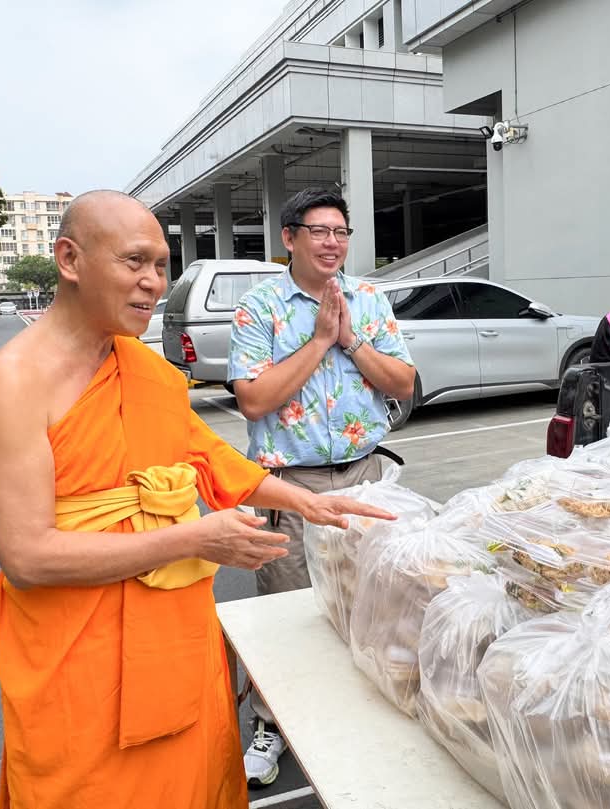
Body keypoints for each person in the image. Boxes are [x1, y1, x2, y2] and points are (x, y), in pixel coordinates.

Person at [0, 190, 394, 809]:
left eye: (162, 267)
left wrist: (307, 503)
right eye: (134, 262)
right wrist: (193, 539)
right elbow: (27, 557)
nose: (152, 284)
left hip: (174, 635)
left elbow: (208, 458)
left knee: (194, 778)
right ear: (69, 259)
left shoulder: (145, 372)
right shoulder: (14, 381)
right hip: (77, 654)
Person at [227, 187, 415, 785]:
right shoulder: (259, 308)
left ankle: (361, 715)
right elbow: (253, 398)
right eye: (319, 231)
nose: (333, 243)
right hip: (290, 486)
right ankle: (270, 722)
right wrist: (317, 342)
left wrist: (350, 339)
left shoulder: (367, 298)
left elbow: (404, 383)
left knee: (370, 602)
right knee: (288, 610)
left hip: (363, 477)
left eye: (341, 232)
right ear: (289, 238)